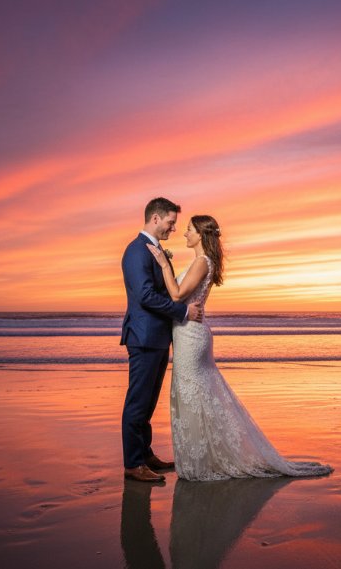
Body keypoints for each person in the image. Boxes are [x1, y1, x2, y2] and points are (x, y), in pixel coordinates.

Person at [147, 214, 333, 481]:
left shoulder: (201, 262)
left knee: (195, 395)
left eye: (188, 229)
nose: (184, 233)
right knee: (197, 395)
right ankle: (204, 455)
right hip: (187, 333)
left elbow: (177, 295)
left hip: (191, 337)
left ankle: (205, 459)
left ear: (200, 234)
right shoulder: (201, 262)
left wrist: (164, 264)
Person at [120, 197, 204, 482]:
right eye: (170, 222)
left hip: (156, 337)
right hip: (143, 337)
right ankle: (133, 464)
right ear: (155, 219)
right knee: (137, 401)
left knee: (148, 402)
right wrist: (182, 311)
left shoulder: (153, 250)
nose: (173, 228)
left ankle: (145, 454)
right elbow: (145, 295)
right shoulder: (136, 251)